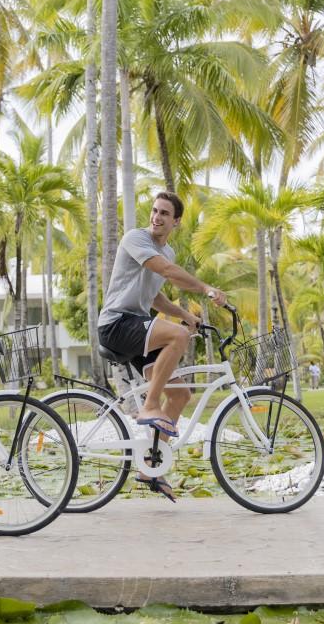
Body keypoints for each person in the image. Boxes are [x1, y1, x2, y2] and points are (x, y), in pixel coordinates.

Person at [96, 191, 227, 501]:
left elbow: (154, 296)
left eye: (164, 213)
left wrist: (185, 315)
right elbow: (166, 273)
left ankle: (151, 468)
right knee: (177, 337)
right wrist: (206, 287)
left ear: (176, 222)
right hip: (116, 324)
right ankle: (150, 405)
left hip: (137, 326)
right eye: (155, 211)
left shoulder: (167, 252)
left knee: (181, 394)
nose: (157, 217)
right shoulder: (136, 238)